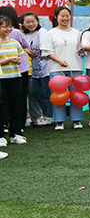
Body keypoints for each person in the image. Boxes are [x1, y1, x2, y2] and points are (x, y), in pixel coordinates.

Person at [42, 5, 84, 130]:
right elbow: (48, 52)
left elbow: (82, 50)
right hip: (57, 68)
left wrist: (82, 50)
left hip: (75, 67)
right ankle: (59, 121)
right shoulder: (51, 33)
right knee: (58, 95)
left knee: (76, 94)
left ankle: (76, 120)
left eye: (67, 16)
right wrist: (59, 61)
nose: (65, 18)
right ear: (56, 17)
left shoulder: (76, 33)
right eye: (62, 16)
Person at [22, 12, 52, 126]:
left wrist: (37, 52)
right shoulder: (26, 35)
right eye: (27, 22)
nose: (30, 24)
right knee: (36, 93)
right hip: (35, 70)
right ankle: (46, 114)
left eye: (33, 21)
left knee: (46, 93)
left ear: (37, 21)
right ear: (23, 23)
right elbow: (24, 46)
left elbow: (44, 47)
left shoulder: (41, 32)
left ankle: (49, 116)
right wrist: (27, 51)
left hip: (45, 68)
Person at [0, 15, 27, 146]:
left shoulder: (15, 43)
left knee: (15, 106)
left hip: (15, 77)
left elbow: (22, 57)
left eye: (10, 26)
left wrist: (18, 60)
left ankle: (16, 133)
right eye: (5, 26)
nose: (8, 29)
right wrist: (8, 60)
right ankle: (1, 136)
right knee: (2, 107)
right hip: (1, 79)